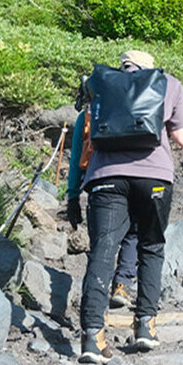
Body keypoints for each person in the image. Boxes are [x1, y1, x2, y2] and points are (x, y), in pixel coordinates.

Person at [74, 50, 183, 363]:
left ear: (122, 65)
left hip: (105, 177)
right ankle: (145, 326)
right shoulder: (169, 83)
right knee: (151, 246)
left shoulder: (101, 84)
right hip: (153, 177)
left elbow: (84, 126)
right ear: (149, 68)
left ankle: (92, 337)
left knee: (101, 252)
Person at [66, 106, 138, 309]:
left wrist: (73, 195)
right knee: (133, 233)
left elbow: (76, 159)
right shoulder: (140, 106)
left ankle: (96, 300)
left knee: (102, 243)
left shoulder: (88, 113)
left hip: (101, 183)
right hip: (139, 178)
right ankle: (122, 285)